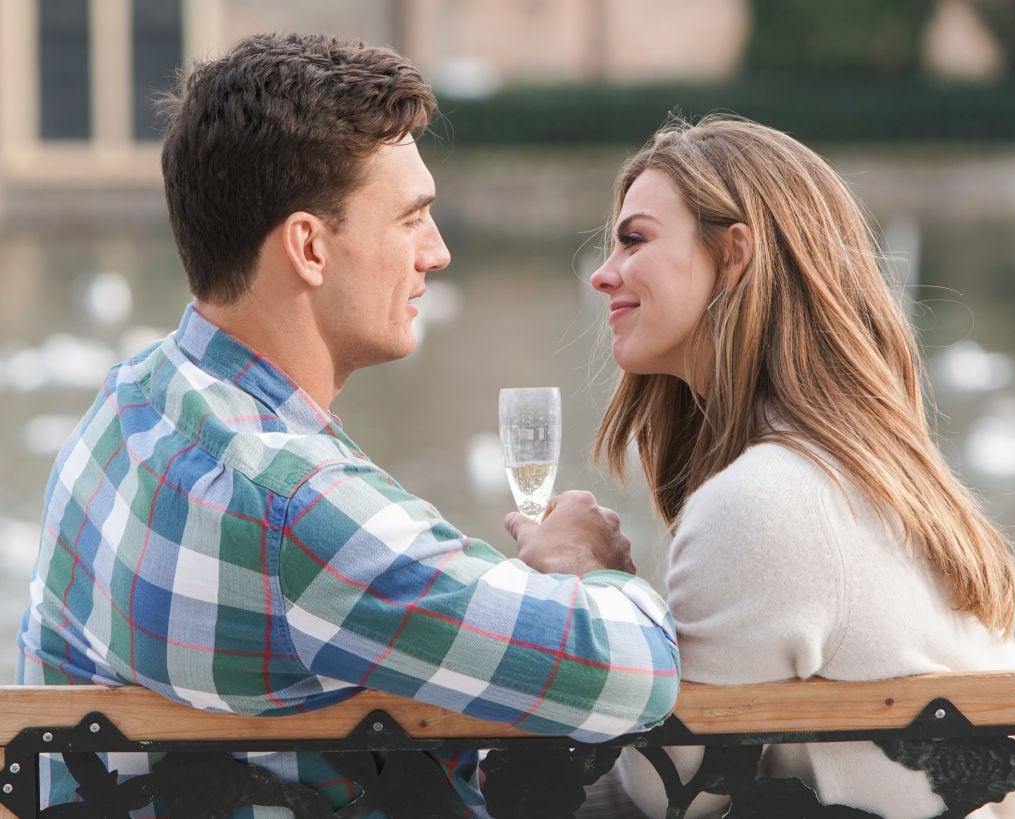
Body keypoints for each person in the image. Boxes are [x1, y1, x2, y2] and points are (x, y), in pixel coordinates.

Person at [15, 33, 681, 817]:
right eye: (411, 219)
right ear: (309, 247)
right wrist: (583, 563)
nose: (436, 253)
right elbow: (638, 672)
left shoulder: (133, 398)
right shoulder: (297, 511)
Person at [515, 113, 1015, 817]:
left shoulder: (769, 500)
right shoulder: (855, 470)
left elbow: (668, 795)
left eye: (634, 239)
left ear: (735, 256)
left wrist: (588, 586)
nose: (604, 275)